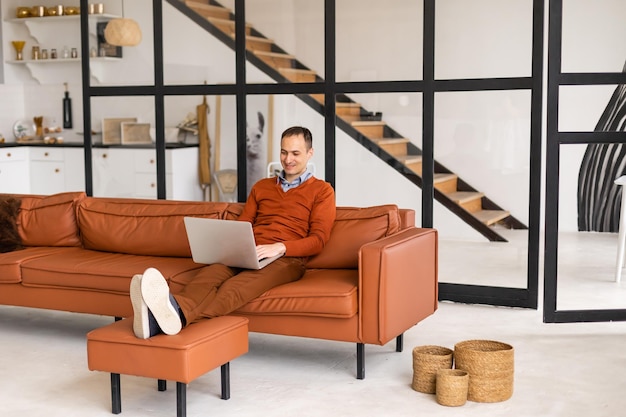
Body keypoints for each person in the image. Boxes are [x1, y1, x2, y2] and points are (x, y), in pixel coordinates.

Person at [130, 126, 336, 338]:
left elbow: (319, 239)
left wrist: (280, 247)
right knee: (207, 277)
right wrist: (234, 246)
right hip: (247, 251)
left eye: (295, 153)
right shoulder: (261, 187)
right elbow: (244, 223)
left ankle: (160, 319)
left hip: (287, 259)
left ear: (310, 153)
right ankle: (166, 317)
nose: (288, 159)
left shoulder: (322, 191)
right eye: (284, 152)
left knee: (234, 289)